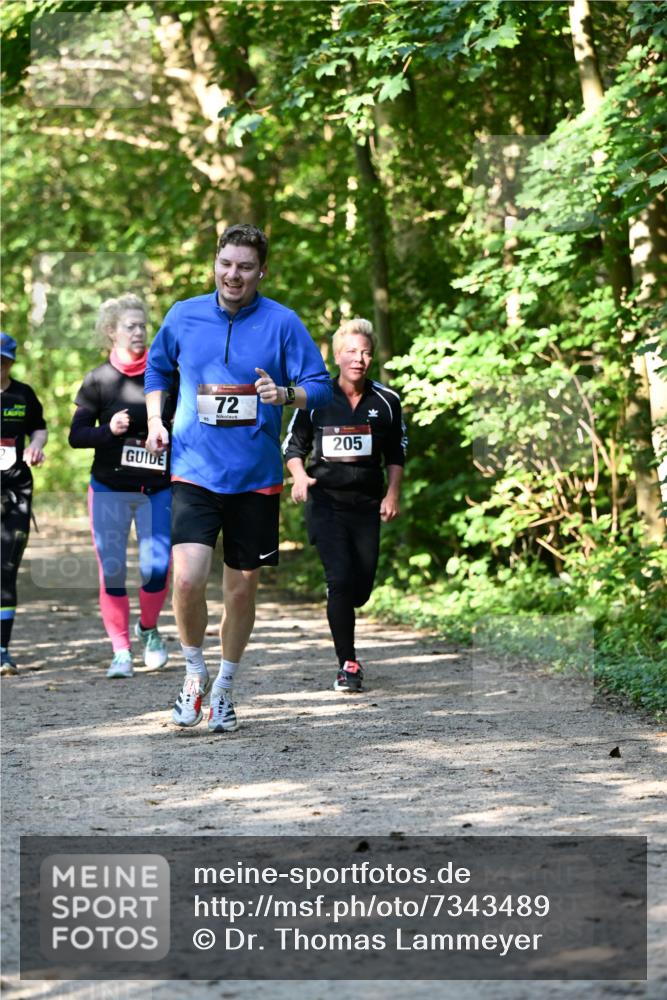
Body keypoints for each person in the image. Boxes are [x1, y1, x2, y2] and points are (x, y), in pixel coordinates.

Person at [144, 223, 332, 733]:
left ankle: (225, 685)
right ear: (215, 264)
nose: (234, 274)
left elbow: (321, 386)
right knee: (185, 578)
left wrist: (285, 396)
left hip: (254, 477)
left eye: (245, 267)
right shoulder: (184, 315)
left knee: (241, 592)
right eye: (226, 264)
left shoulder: (283, 323)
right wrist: (157, 420)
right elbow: (157, 370)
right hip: (193, 471)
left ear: (261, 272)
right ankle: (193, 673)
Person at [283, 317, 407, 692]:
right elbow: (293, 446)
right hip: (326, 504)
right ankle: (347, 663)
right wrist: (300, 477)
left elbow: (396, 453)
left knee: (361, 589)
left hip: (367, 504)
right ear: (337, 356)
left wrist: (392, 493)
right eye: (351, 352)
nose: (359, 359)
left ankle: (342, 601)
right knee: (339, 581)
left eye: (366, 352)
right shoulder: (316, 398)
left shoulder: (387, 401)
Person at [69, 294, 174, 678]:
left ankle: (148, 629)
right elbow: (76, 436)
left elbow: (185, 424)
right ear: (111, 332)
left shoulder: (163, 375)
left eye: (143, 325)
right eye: (130, 326)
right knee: (112, 570)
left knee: (156, 568)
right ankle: (121, 651)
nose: (139, 332)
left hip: (157, 489)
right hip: (109, 488)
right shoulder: (99, 379)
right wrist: (107, 431)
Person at [1, 332, 48, 676]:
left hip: (16, 490)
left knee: (6, 569)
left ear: (11, 362)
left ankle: (2, 650)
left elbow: (40, 428)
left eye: (3, 360)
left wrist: (36, 447)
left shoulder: (23, 394)